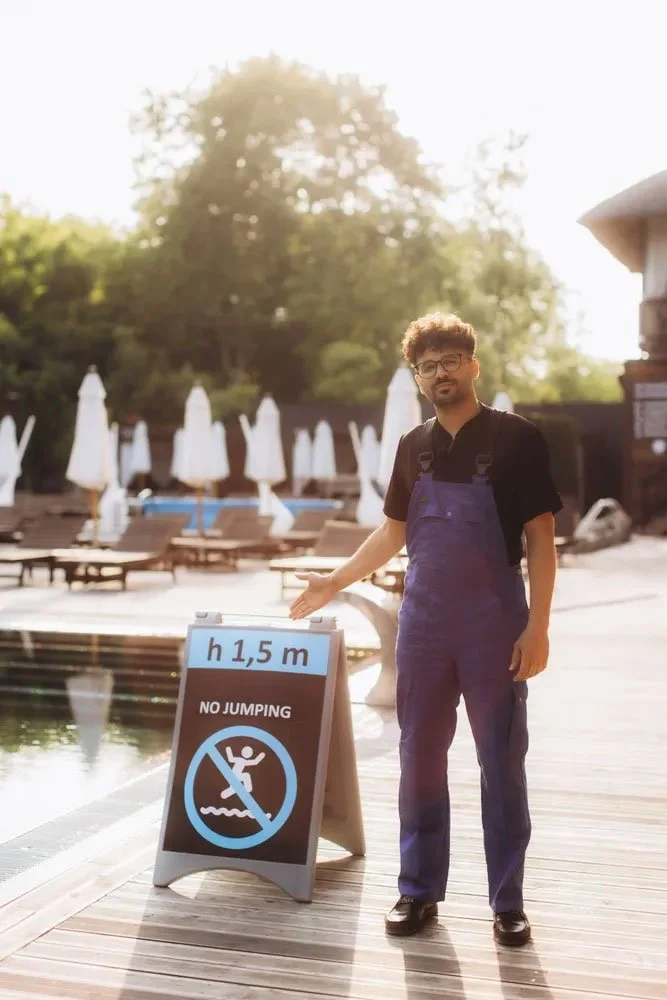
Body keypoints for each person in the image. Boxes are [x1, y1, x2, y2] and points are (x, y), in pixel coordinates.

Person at [289, 313, 561, 947]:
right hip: (425, 626)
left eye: (450, 361)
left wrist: (538, 626)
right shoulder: (413, 446)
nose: (440, 373)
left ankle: (508, 902)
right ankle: (417, 891)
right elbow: (393, 534)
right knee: (418, 758)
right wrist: (334, 581)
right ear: (417, 377)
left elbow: (542, 540)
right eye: (427, 366)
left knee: (501, 760)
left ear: (472, 365)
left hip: (495, 623)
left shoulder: (519, 439)